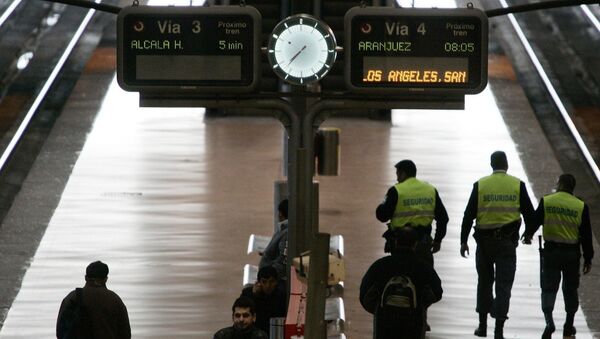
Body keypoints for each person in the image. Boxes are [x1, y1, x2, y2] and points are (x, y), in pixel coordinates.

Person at [460, 151, 535, 339]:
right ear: (507, 165)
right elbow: (530, 215)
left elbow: (468, 215)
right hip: (507, 243)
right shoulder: (518, 185)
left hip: (484, 243)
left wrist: (463, 240)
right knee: (504, 285)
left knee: (484, 282)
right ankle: (498, 331)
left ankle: (482, 326)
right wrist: (528, 234)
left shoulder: (480, 185)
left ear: (491, 165)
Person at [522, 174, 593, 338]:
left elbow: (534, 222)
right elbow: (586, 236)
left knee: (548, 288)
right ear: (572, 188)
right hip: (571, 255)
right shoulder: (580, 206)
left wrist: (527, 234)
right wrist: (588, 258)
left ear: (559, 184)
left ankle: (549, 322)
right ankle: (569, 324)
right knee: (570, 289)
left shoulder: (547, 201)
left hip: (551, 253)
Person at [360, 226, 443, 339]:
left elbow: (364, 294)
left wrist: (378, 309)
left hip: (385, 322)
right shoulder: (423, 268)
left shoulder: (380, 266)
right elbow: (437, 292)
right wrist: (421, 304)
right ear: (415, 244)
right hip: (414, 321)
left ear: (396, 242)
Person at [376, 159, 449, 265]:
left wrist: (382, 204)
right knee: (425, 277)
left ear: (403, 174)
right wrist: (438, 240)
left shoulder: (396, 190)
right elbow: (443, 218)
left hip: (401, 244)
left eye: (398, 175)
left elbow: (382, 216)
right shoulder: (430, 190)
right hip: (423, 243)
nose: (397, 178)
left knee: (400, 275)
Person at [56, 261, 131, 339]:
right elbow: (125, 334)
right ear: (106, 279)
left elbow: (60, 332)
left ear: (85, 277)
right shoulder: (115, 300)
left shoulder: (72, 298)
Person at [240, 265, 287, 334]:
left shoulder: (281, 294)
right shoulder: (248, 293)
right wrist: (254, 296)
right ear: (258, 282)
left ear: (276, 282)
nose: (268, 285)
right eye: (264, 282)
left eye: (271, 282)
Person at [259, 199, 288, 280]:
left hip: (271, 278)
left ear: (281, 214)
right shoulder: (284, 230)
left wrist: (268, 278)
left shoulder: (286, 233)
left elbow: (283, 259)